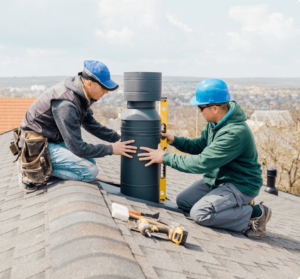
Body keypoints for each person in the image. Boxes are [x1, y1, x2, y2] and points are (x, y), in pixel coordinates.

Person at [138, 78, 271, 239]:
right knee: (184, 201)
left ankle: (255, 213)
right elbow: (200, 145)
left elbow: (201, 163)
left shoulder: (234, 132)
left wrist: (164, 157)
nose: (199, 112)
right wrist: (174, 140)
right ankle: (232, 207)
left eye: (201, 108)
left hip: (240, 185)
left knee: (200, 214)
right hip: (219, 181)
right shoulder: (215, 123)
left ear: (214, 108)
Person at [18, 60, 137, 192]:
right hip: (36, 147)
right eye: (104, 88)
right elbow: (77, 147)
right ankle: (34, 169)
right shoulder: (66, 104)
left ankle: (46, 165)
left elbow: (92, 125)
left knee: (90, 161)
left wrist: (117, 138)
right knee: (89, 171)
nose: (106, 92)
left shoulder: (79, 95)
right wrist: (111, 149)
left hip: (49, 142)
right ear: (90, 84)